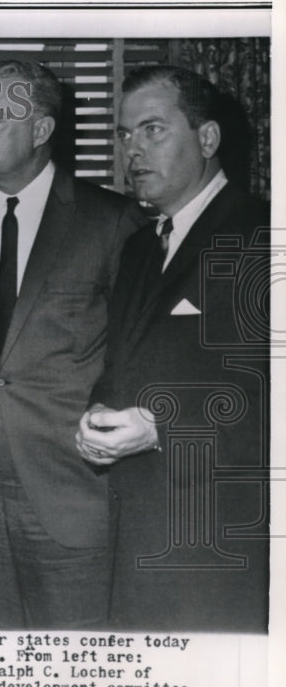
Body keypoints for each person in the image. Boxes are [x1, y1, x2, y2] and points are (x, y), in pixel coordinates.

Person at [0, 60, 145, 629]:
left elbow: (132, 358)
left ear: (42, 130)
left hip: (73, 488)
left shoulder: (112, 221)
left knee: (78, 677)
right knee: (2, 673)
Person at [76, 65, 270, 631]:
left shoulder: (263, 236)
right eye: (124, 135)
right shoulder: (139, 246)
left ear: (207, 139)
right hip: (137, 542)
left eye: (153, 129)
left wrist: (162, 425)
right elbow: (126, 365)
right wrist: (96, 414)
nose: (132, 150)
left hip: (221, 552)